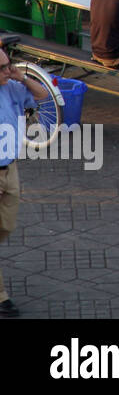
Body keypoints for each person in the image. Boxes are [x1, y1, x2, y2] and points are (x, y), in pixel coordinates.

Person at [0, 47, 50, 316]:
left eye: (9, 65)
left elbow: (42, 96)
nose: (8, 70)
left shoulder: (12, 88)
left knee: (6, 226)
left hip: (11, 169)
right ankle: (1, 297)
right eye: (3, 68)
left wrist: (21, 77)